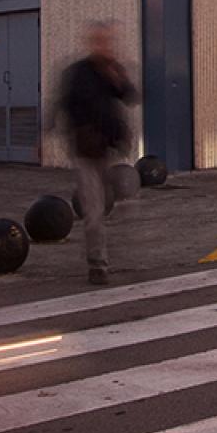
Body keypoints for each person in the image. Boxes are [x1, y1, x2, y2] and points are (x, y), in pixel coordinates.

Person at [53, 21, 139, 285]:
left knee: (117, 197)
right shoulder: (78, 72)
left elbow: (130, 97)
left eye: (108, 41)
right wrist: (48, 130)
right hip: (86, 150)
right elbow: (62, 104)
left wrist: (118, 77)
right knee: (93, 210)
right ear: (91, 43)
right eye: (100, 41)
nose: (105, 46)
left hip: (110, 148)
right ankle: (97, 264)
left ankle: (109, 227)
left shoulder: (112, 69)